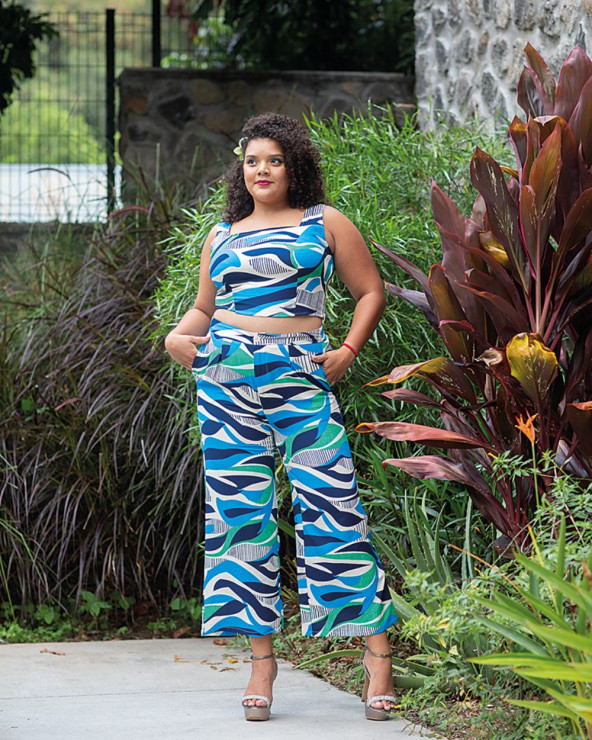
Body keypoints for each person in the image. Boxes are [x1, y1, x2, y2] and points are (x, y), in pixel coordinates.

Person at [164, 113, 398, 722]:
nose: (261, 170)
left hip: (299, 368)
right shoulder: (222, 234)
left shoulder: (325, 222)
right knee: (238, 513)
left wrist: (347, 351)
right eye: (252, 161)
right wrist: (175, 337)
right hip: (225, 373)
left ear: (294, 166)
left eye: (274, 160)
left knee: (332, 500)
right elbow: (203, 309)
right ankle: (262, 663)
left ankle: (377, 655)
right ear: (241, 170)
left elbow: (370, 291)